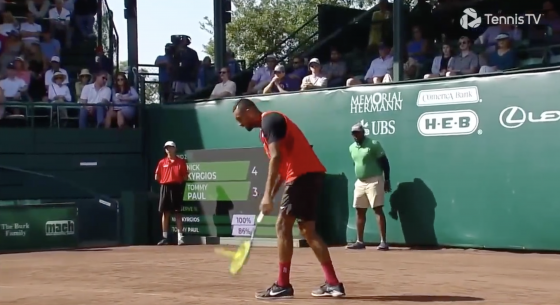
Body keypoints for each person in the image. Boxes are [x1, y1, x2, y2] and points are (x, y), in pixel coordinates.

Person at [232, 98, 345, 299]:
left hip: (302, 176)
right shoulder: (266, 130)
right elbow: (282, 165)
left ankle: (283, 284)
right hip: (309, 175)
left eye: (240, 118)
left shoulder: (270, 120)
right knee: (308, 231)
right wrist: (272, 194)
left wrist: (266, 195)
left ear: (249, 110)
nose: (240, 124)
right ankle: (333, 283)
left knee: (282, 226)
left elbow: (276, 158)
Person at [346, 123, 392, 250]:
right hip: (360, 182)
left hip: (375, 179)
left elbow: (385, 163)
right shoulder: (352, 148)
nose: (355, 135)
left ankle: (383, 241)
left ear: (363, 133)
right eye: (353, 133)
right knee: (359, 210)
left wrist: (387, 179)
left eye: (357, 133)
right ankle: (359, 241)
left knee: (377, 209)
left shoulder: (374, 144)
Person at [155, 141, 187, 246]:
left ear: (175, 149)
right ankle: (164, 238)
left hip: (176, 188)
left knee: (178, 213)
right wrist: (165, 181)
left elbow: (185, 177)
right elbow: (157, 176)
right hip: (165, 187)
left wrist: (176, 180)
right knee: (165, 213)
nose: (168, 150)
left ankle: (180, 238)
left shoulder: (181, 162)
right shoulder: (161, 162)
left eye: (171, 147)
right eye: (167, 148)